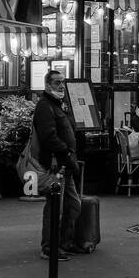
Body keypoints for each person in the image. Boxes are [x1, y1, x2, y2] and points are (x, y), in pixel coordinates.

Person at [34, 69, 83, 259]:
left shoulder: (58, 105)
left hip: (66, 164)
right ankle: (49, 247)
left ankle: (65, 243)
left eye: (62, 82)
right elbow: (48, 137)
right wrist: (66, 151)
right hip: (56, 165)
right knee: (56, 208)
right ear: (47, 85)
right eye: (57, 82)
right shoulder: (45, 106)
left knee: (73, 206)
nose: (61, 85)